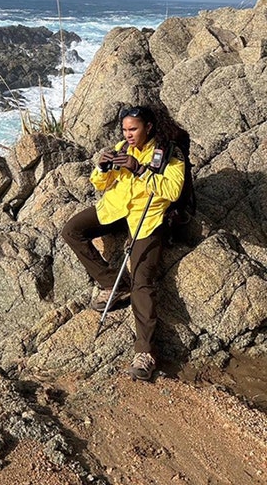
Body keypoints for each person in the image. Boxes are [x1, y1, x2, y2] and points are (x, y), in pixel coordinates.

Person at [61, 106, 184, 381]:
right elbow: (101, 183)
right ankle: (112, 282)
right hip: (117, 210)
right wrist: (103, 167)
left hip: (148, 217)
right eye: (125, 129)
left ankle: (145, 353)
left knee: (144, 281)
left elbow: (172, 191)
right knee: (71, 230)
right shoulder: (122, 147)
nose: (128, 135)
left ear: (149, 127)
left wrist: (139, 169)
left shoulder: (167, 153)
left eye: (133, 129)